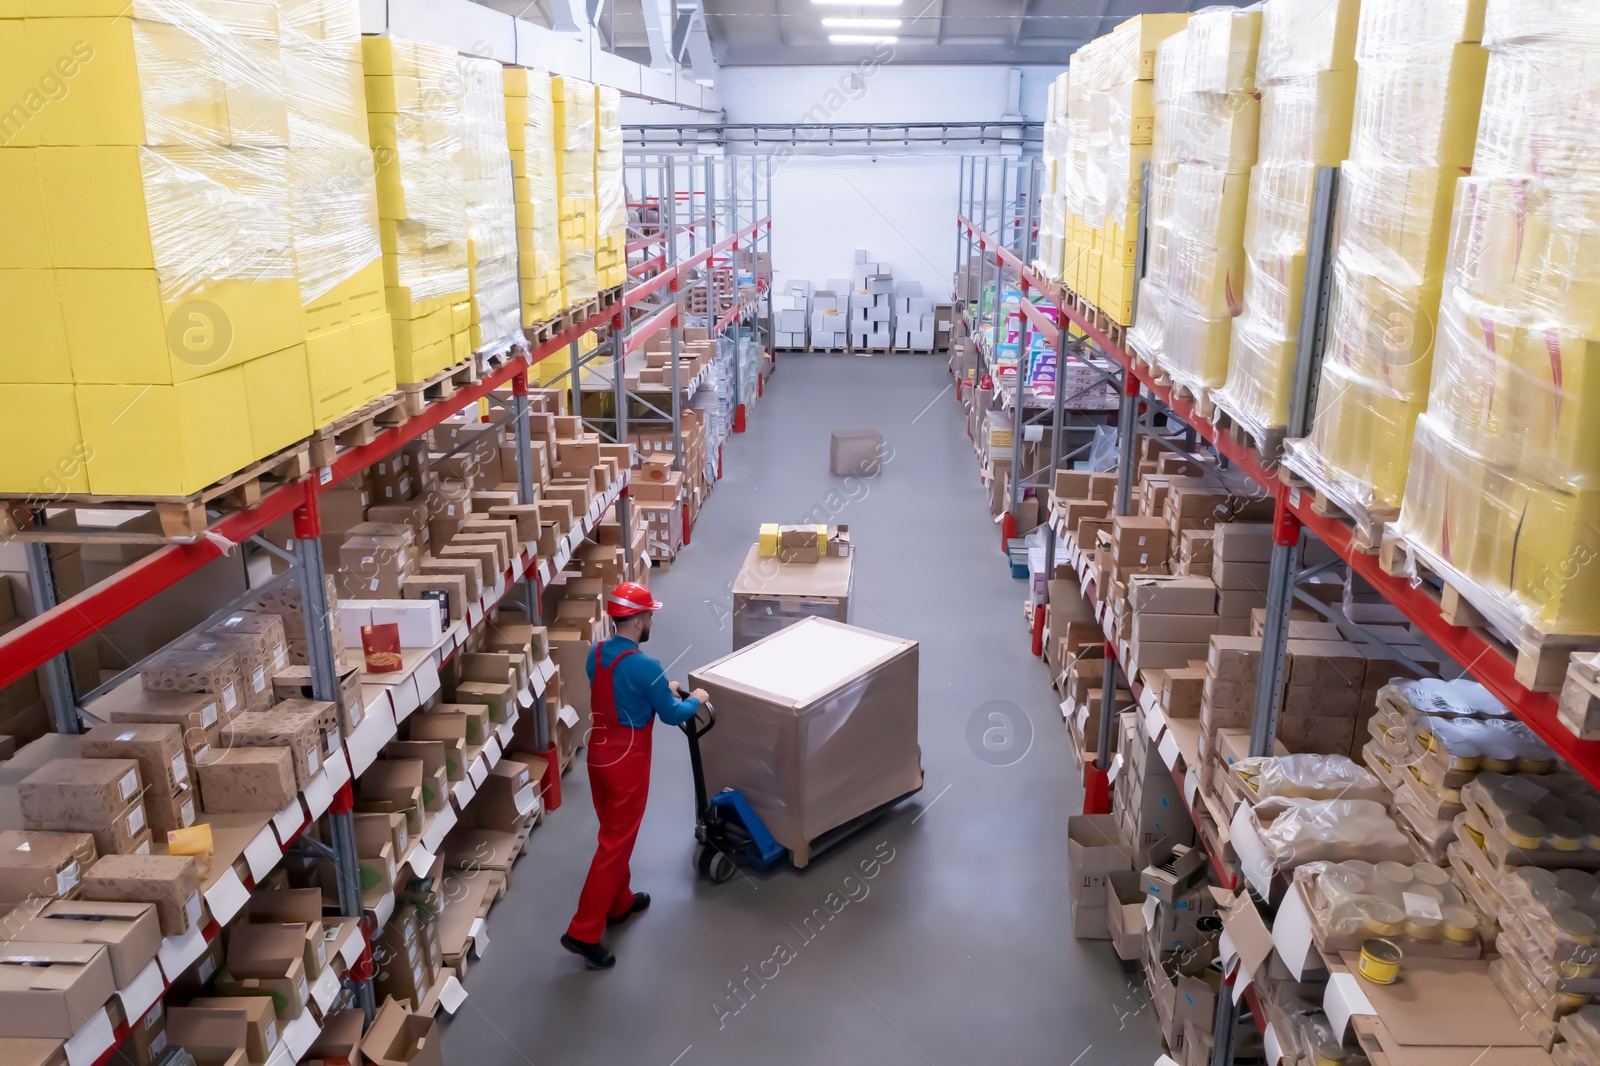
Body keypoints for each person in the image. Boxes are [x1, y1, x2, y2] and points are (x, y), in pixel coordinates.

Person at [561, 581, 708, 969]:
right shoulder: (647, 666)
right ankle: (582, 931)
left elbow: (620, 689)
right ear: (639, 619)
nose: (652, 620)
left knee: (612, 832)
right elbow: (673, 714)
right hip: (628, 759)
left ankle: (620, 902)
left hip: (599, 752)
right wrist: (696, 699)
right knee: (614, 844)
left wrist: (666, 688)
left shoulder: (596, 654)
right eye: (650, 615)